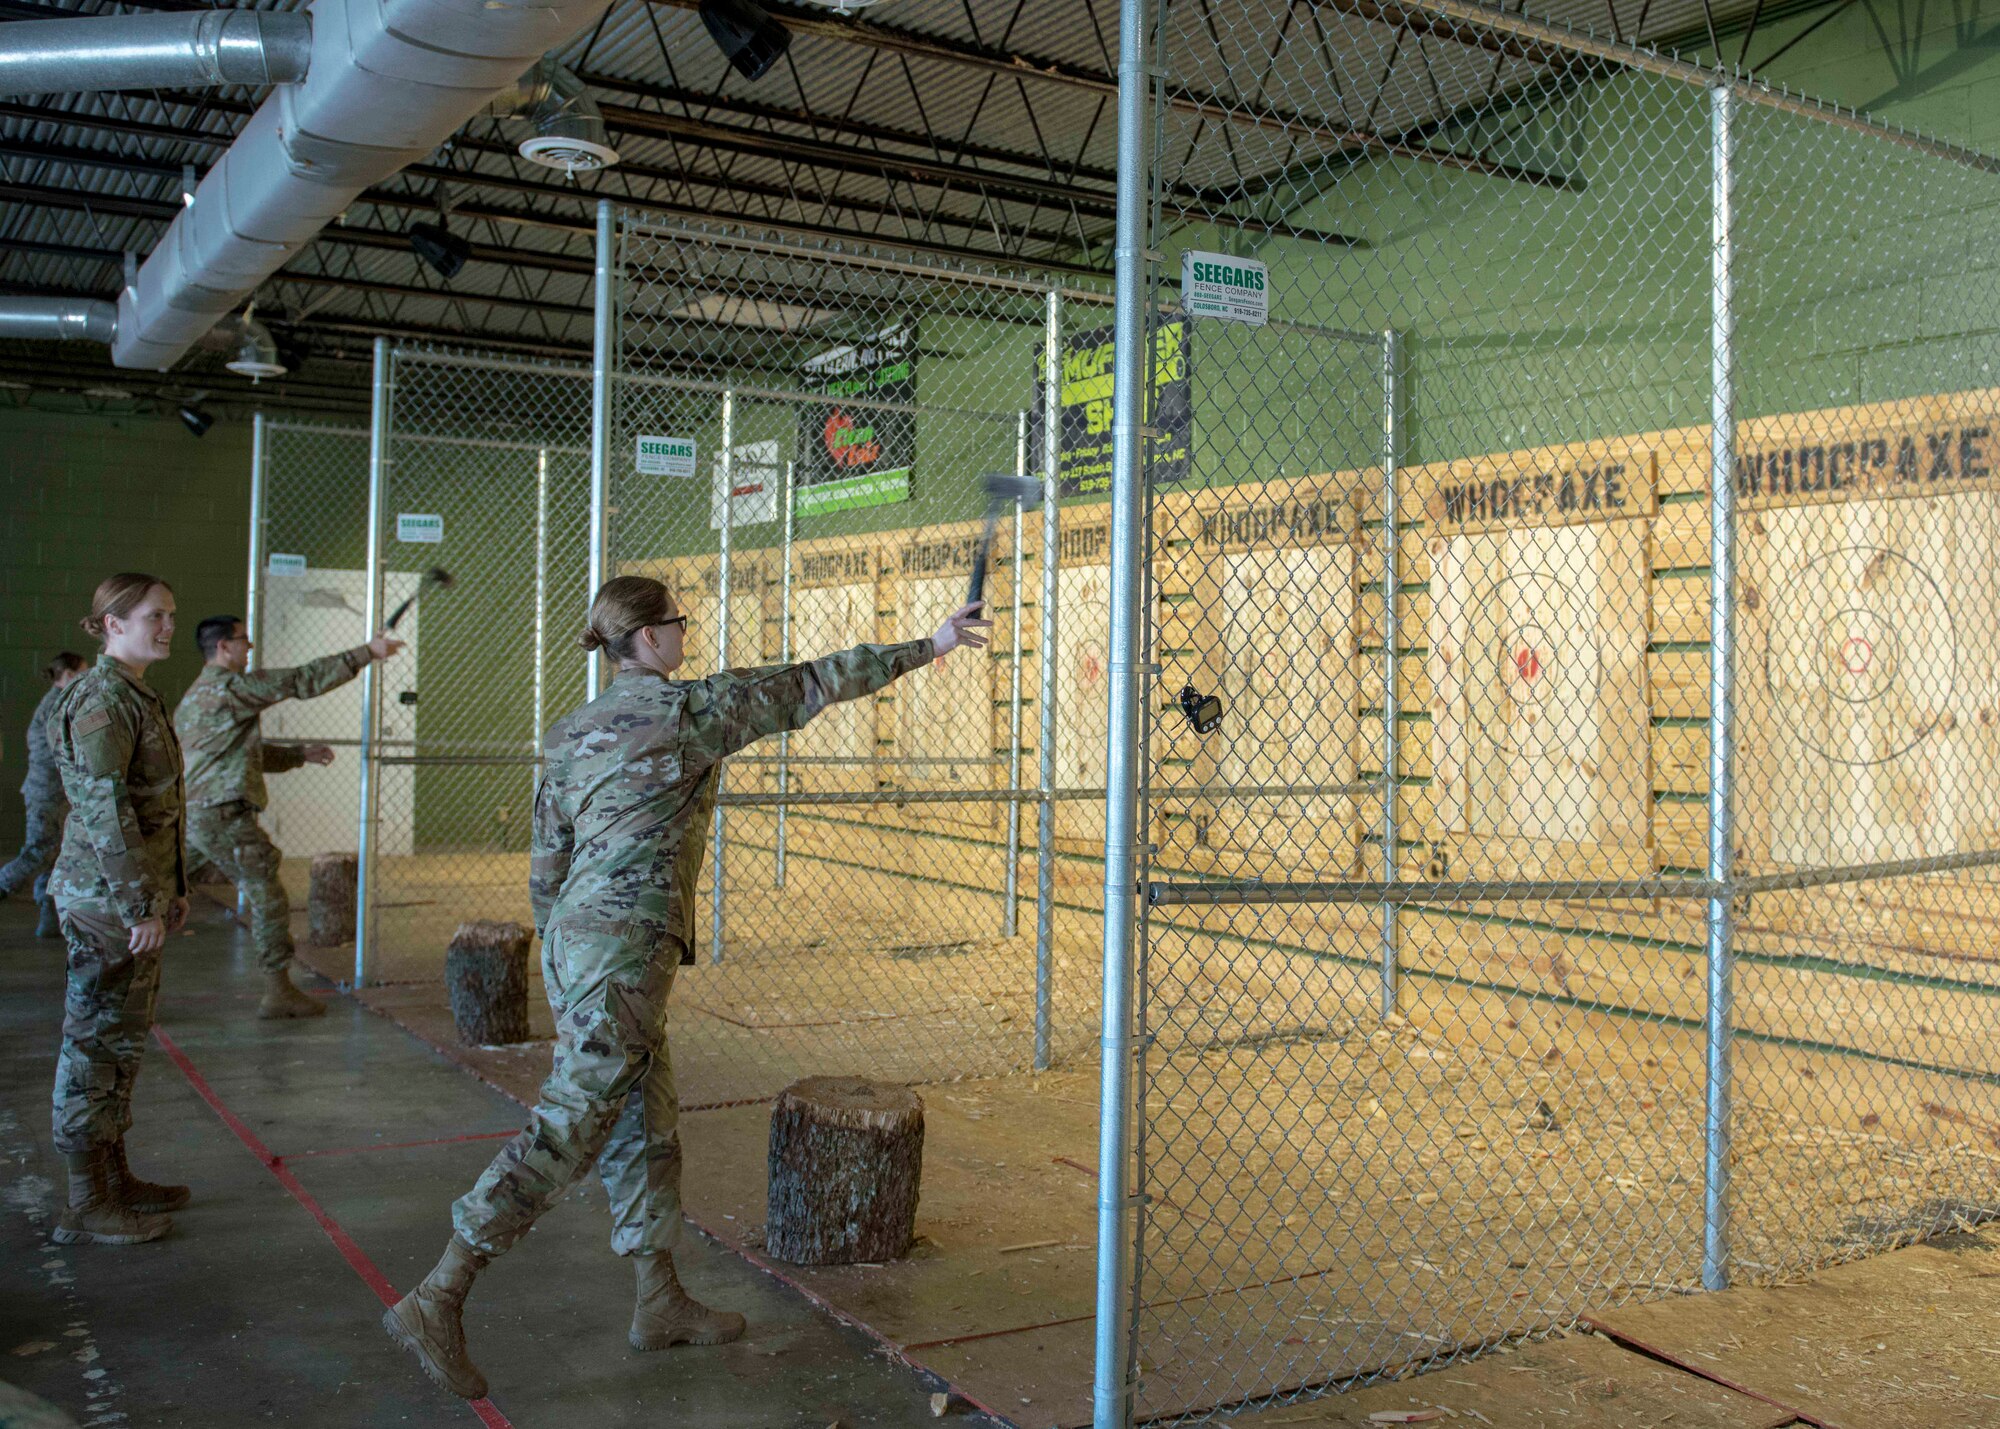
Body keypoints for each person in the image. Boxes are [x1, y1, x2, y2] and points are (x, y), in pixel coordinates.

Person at [383, 575, 990, 1399]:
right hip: (625, 952)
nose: (684, 631)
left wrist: (568, 966)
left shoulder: (569, 732)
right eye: (676, 621)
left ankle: (657, 1296)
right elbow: (809, 682)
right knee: (571, 1125)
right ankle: (440, 1291)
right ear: (645, 637)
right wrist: (933, 644)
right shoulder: (684, 715)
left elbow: (546, 862)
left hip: (579, 947)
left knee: (644, 1117)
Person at [46, 574, 190, 1246]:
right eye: (154, 615)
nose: (166, 626)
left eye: (169, 615)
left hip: (132, 898)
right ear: (111, 622)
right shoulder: (102, 697)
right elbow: (106, 809)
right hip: (106, 902)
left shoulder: (134, 692)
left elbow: (158, 808)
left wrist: (171, 892)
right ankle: (86, 1196)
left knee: (121, 1043)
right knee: (93, 1045)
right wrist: (139, 903)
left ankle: (113, 1176)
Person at [174, 616, 403, 1018]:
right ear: (224, 647)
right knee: (267, 893)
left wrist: (299, 754)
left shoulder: (197, 696)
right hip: (222, 814)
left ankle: (114, 958)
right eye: (244, 641)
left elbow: (239, 754)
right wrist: (367, 653)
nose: (249, 648)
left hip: (198, 814)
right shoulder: (232, 689)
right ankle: (278, 989)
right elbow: (302, 680)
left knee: (167, 891)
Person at [0, 651, 88, 938]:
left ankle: (49, 918)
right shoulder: (58, 705)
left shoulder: (59, 702)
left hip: (53, 791)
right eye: (83, 672)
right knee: (40, 850)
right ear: (69, 675)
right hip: (47, 791)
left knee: (54, 854)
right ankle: (3, 884)